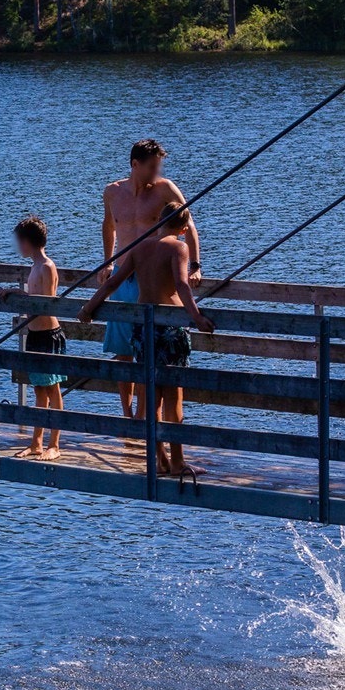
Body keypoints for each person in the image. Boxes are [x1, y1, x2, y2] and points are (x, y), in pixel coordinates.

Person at [79, 200, 215, 476]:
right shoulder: (179, 247)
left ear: (160, 221)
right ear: (182, 227)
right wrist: (198, 317)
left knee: (151, 396)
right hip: (170, 330)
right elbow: (181, 284)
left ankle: (159, 459)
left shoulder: (140, 247)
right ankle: (177, 461)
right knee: (174, 396)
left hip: (143, 329)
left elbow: (113, 281)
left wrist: (89, 307)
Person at [101, 139, 203, 419]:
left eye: (159, 166)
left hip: (152, 279)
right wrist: (107, 262)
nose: (157, 172)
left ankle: (146, 417)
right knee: (123, 352)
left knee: (146, 353)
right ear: (135, 164)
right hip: (123, 276)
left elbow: (188, 224)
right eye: (151, 167)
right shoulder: (112, 192)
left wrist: (194, 265)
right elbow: (109, 226)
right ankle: (127, 413)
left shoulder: (165, 189)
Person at [0, 215, 66, 459]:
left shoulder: (47, 266)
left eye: (19, 241)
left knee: (53, 390)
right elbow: (32, 297)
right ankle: (36, 442)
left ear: (28, 242)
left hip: (48, 335)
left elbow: (44, 303)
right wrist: (15, 292)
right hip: (35, 335)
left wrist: (22, 296)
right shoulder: (34, 267)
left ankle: (54, 444)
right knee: (39, 391)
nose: (18, 247)